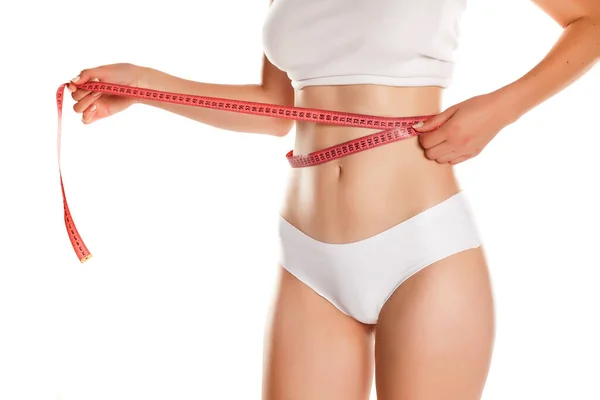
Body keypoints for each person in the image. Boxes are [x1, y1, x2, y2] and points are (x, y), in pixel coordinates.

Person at [67, 0, 600, 398]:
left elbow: (591, 21)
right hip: (307, 259)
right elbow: (278, 109)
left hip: (424, 249)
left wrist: (501, 110)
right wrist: (144, 84)